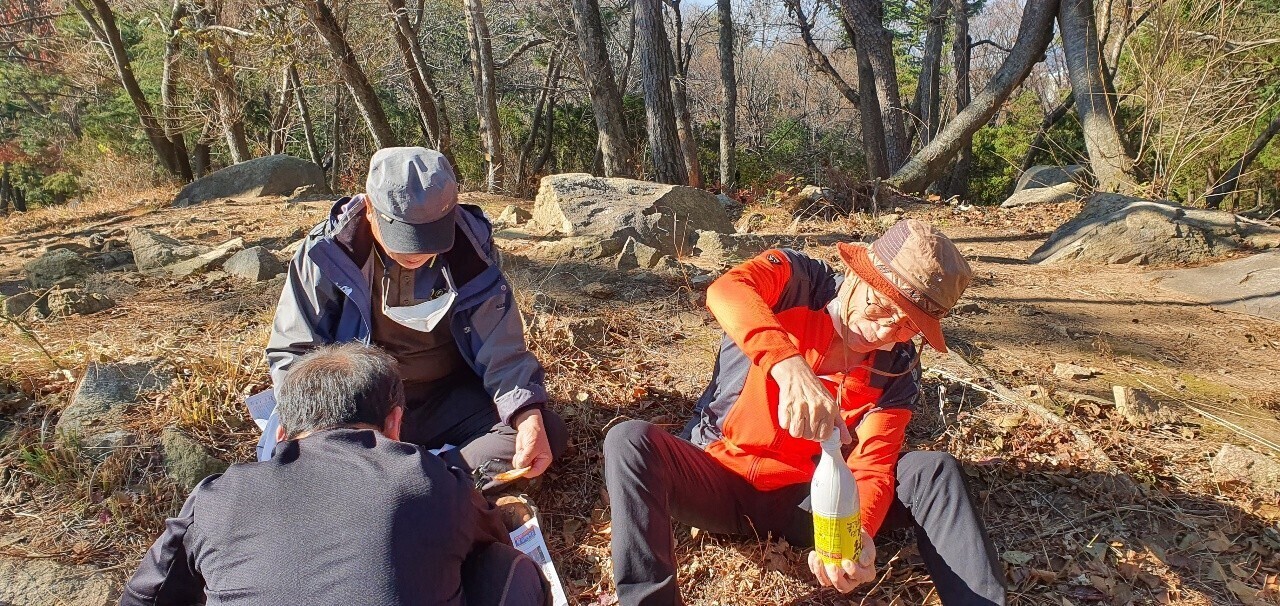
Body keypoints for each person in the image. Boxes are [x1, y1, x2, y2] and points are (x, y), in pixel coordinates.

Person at [604, 219, 1006, 605]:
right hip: (717, 480)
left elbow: (873, 464)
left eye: (906, 326)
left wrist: (856, 534)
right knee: (629, 440)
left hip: (812, 503)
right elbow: (726, 290)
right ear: (859, 274)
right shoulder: (797, 282)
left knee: (933, 471)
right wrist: (789, 366)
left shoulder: (898, 366)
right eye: (881, 307)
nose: (886, 332)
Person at [122, 343, 548, 605]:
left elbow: (145, 595)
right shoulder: (426, 477)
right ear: (395, 422)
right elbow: (491, 536)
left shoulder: (218, 496)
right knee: (508, 567)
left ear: (281, 432)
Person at [248, 147, 566, 490]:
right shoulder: (329, 253)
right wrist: (327, 430)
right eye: (404, 237)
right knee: (312, 465)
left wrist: (525, 413)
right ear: (370, 209)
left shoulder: (471, 249)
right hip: (360, 406)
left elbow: (501, 347)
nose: (417, 251)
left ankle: (393, 484)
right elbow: (294, 353)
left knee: (541, 433)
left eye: (430, 237)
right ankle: (429, 484)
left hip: (446, 398)